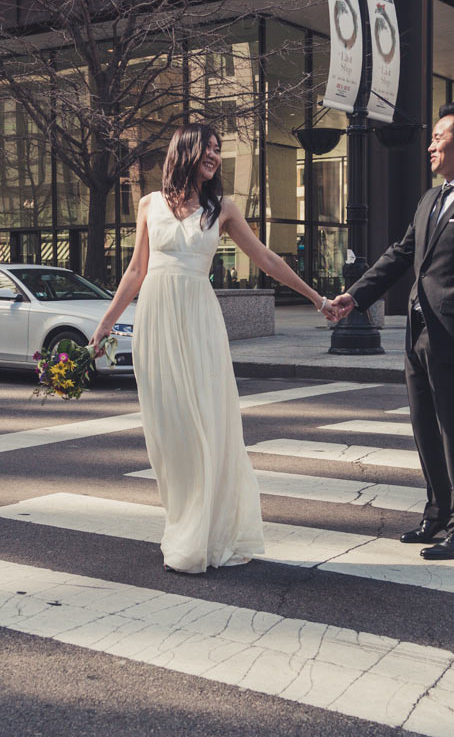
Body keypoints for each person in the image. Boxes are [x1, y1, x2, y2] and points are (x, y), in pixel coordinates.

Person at [92, 122, 335, 574]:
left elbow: (266, 258)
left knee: (208, 423)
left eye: (218, 150)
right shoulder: (148, 204)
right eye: (209, 147)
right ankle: (182, 521)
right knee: (171, 432)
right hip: (157, 323)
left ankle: (206, 532)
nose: (215, 156)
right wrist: (105, 325)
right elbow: (135, 271)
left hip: (200, 324)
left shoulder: (222, 208)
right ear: (185, 150)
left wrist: (317, 299)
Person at [329, 102, 454, 561]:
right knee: (424, 429)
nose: (431, 146)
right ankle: (437, 512)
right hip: (417, 333)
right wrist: (356, 297)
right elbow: (399, 255)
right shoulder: (430, 199)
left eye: (438, 137)